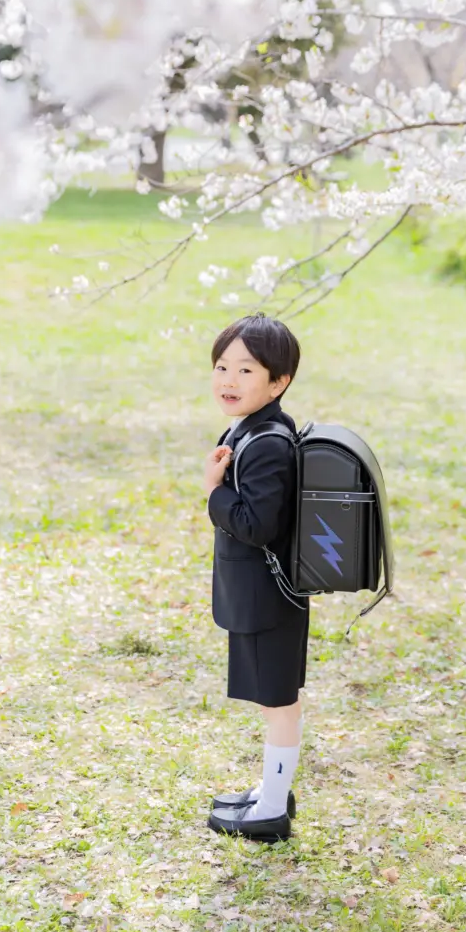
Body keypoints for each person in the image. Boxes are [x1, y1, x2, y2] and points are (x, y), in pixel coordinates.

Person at [204, 312, 308, 843]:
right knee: (275, 699)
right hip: (263, 595)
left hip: (269, 598)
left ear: (278, 382)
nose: (229, 380)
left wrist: (214, 490)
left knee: (279, 702)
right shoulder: (256, 428)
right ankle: (272, 790)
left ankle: (272, 809)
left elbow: (255, 524)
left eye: (247, 371)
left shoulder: (267, 442)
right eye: (223, 366)